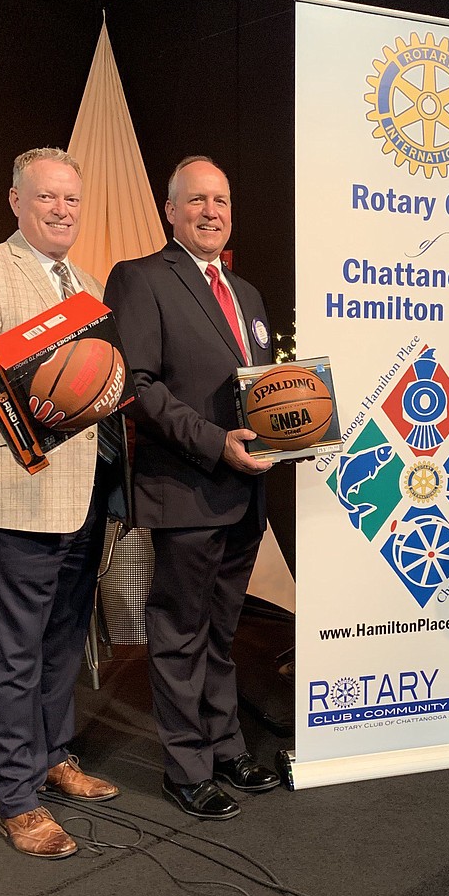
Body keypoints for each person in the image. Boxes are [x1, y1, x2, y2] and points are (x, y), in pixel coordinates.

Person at [0, 148, 121, 860]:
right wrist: (33, 361)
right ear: (15, 200)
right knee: (14, 650)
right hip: (18, 488)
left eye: (71, 200)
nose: (60, 210)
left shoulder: (89, 282)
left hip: (83, 491)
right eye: (46, 197)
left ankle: (53, 754)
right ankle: (16, 797)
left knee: (59, 640)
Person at [104, 156, 279, 821]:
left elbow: (262, 392)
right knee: (179, 630)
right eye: (197, 200)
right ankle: (187, 766)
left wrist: (292, 431)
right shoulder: (142, 278)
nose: (212, 211)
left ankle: (227, 744)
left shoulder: (248, 294)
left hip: (245, 492)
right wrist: (216, 442)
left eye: (222, 200)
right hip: (186, 487)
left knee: (222, 629)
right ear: (170, 211)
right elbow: (139, 387)